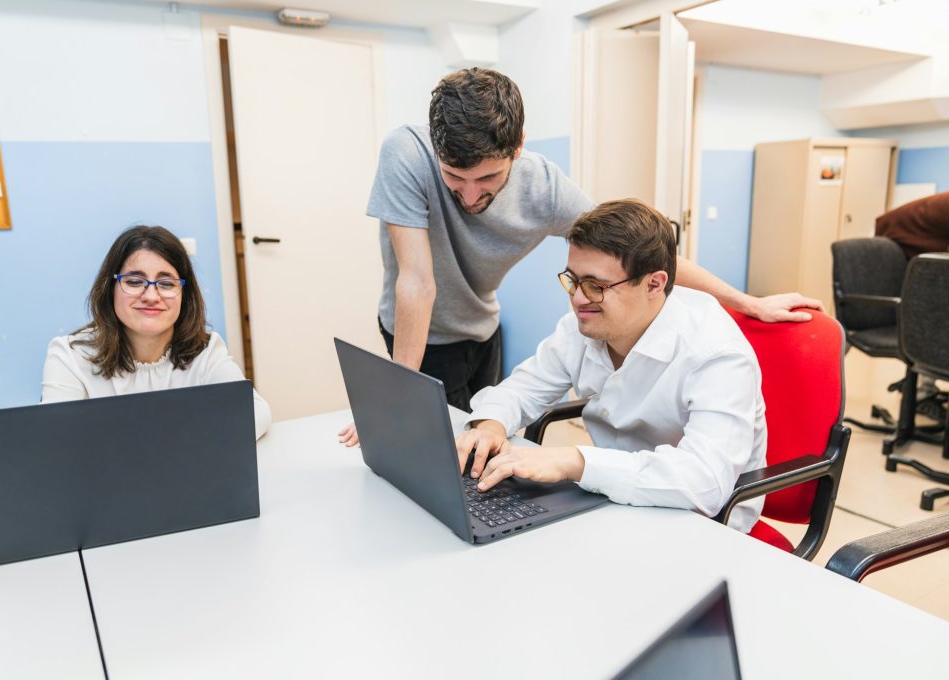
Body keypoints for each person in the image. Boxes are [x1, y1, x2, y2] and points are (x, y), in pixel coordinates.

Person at [338, 67, 817, 446]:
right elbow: (417, 282)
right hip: (419, 330)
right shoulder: (405, 153)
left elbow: (643, 256)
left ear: (518, 148)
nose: (468, 196)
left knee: (472, 436)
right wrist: (397, 394)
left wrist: (748, 302)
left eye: (486, 180)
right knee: (437, 444)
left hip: (481, 323)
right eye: (453, 178)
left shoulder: (544, 188)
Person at [454, 199, 767, 532]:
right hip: (613, 496)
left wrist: (574, 461)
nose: (578, 298)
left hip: (701, 520)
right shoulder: (584, 325)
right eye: (572, 280)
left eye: (596, 286)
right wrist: (491, 423)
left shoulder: (716, 354)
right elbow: (523, 388)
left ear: (654, 284)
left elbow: (704, 483)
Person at [41, 225, 271, 440]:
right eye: (133, 281)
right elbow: (54, 436)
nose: (151, 296)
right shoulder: (69, 355)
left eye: (167, 284)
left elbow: (256, 413)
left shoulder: (206, 350)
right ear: (109, 289)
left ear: (184, 294)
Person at [875, 190, 949, 419]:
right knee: (938, 315)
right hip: (894, 241)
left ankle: (918, 385)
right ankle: (920, 392)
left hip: (917, 245)